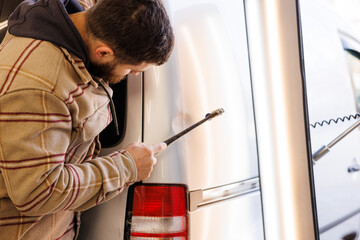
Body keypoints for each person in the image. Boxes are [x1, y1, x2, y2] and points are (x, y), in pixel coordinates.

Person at [0, 0, 174, 239]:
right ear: (103, 52)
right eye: (133, 68)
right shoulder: (40, 88)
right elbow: (39, 192)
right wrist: (127, 167)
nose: (133, 75)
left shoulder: (80, 18)